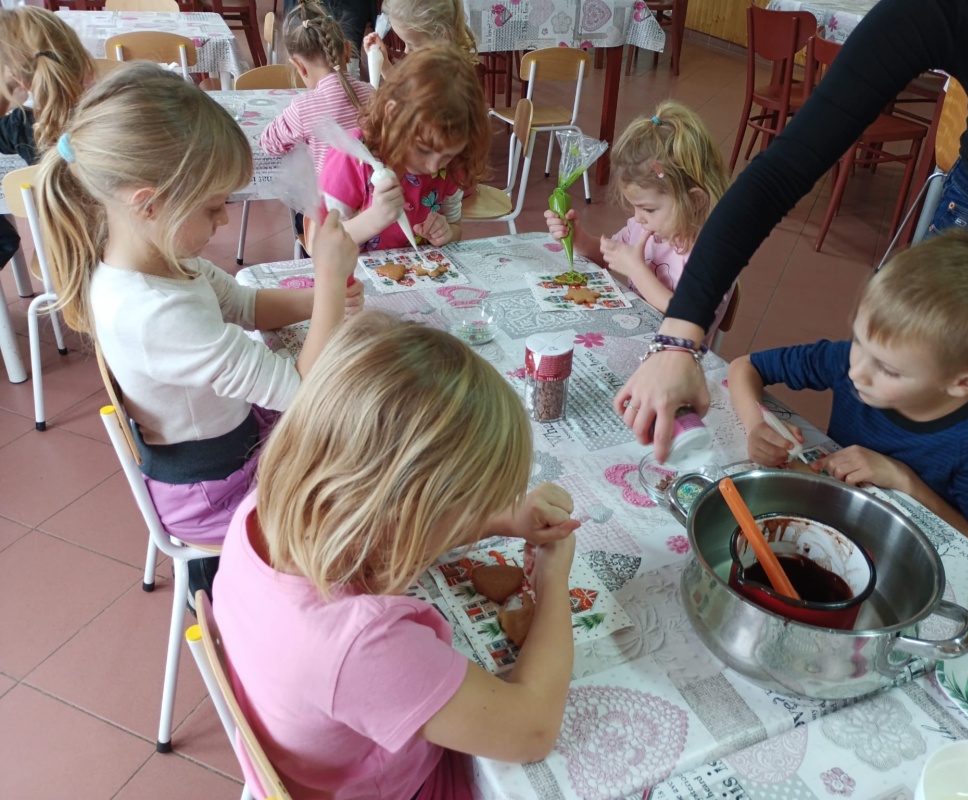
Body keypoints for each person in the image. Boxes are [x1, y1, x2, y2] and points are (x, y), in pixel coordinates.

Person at [615, 0, 968, 592]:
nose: (857, 371)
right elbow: (782, 170)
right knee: (920, 393)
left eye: (877, 365)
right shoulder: (959, 11)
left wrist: (903, 480)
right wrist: (679, 338)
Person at [212, 311, 579, 800]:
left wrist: (503, 520)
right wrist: (553, 581)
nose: (480, 514)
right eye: (470, 506)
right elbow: (532, 732)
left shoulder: (265, 509)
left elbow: (392, 528)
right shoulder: (363, 645)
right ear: (408, 515)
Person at [37, 63, 363, 595]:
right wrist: (327, 279)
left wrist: (320, 301)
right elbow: (302, 393)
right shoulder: (155, 312)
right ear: (149, 203)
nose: (224, 221)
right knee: (363, 492)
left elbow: (245, 304)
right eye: (213, 207)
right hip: (214, 494)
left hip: (232, 443)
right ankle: (232, 596)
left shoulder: (156, 260)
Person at [728, 230, 968, 552]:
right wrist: (756, 426)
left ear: (964, 383)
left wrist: (903, 479)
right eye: (858, 341)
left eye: (889, 370)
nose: (856, 373)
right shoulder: (849, 362)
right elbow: (744, 367)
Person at [544, 101, 734, 329]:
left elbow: (689, 316)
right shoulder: (642, 227)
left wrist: (636, 269)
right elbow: (607, 255)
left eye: (649, 209)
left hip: (673, 350)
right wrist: (578, 238)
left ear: (694, 201)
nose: (638, 218)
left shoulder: (711, 255)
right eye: (634, 206)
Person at [319, 43, 489, 250]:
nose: (433, 167)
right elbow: (322, 242)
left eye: (447, 156)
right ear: (393, 114)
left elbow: (455, 227)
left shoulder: (454, 165)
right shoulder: (353, 155)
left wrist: (447, 232)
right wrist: (374, 219)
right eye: (423, 149)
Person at [0, 6, 93, 286]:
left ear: (19, 80)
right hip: (129, 251)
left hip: (61, 255)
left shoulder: (20, 124)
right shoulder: (112, 114)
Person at [259, 0, 374, 176]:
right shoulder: (371, 93)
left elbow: (269, 143)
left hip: (330, 194)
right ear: (348, 51)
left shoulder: (302, 109)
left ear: (299, 66)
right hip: (374, 190)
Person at [361, 0, 479, 85]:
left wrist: (386, 68)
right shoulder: (431, 65)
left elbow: (405, 101)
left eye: (413, 45)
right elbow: (404, 94)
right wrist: (384, 65)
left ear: (443, 36)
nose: (406, 51)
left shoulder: (446, 80)